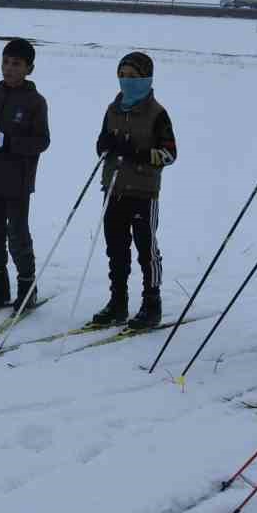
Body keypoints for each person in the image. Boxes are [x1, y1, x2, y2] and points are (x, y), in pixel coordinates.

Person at [91, 51, 178, 330]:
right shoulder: (113, 109)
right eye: (122, 76)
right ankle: (118, 302)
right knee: (116, 249)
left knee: (146, 249)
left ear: (146, 79)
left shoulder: (157, 113)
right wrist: (103, 145)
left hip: (143, 191)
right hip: (114, 189)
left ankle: (152, 304)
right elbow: (103, 144)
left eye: (133, 77)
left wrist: (140, 153)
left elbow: (169, 154)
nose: (127, 81)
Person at [0, 38, 50, 311]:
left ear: (30, 68)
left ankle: (27, 288)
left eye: (16, 64)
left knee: (17, 234)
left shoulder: (35, 102)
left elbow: (41, 141)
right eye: (5, 62)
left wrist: (7, 142)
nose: (9, 68)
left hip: (17, 181)